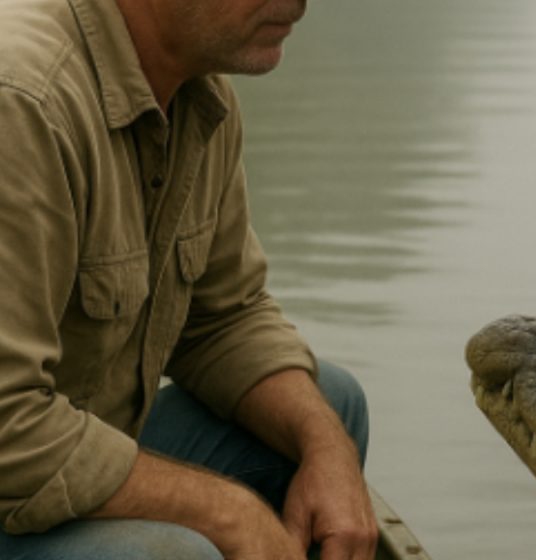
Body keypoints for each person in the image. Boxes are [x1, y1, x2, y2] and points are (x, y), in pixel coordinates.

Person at [0, 0, 378, 558]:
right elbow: (8, 425)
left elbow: (223, 320)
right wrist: (230, 513)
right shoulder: (23, 102)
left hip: (54, 459)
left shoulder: (199, 95)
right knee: (179, 552)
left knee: (331, 408)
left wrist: (328, 450)